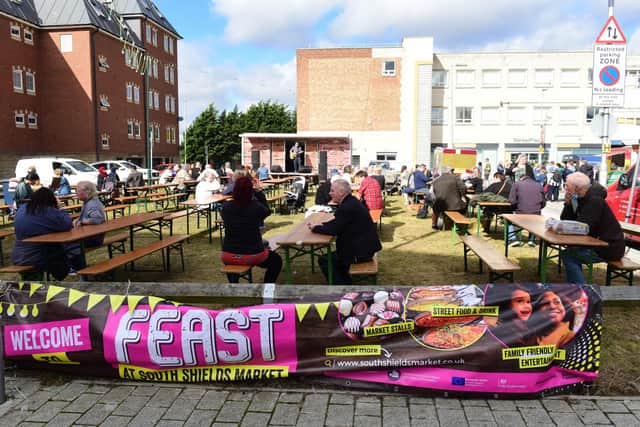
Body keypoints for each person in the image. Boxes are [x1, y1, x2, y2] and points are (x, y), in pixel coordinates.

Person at [310, 179, 382, 285]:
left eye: (332, 191)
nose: (330, 193)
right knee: (333, 258)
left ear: (341, 192)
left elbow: (333, 229)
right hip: (365, 248)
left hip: (360, 253)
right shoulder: (351, 201)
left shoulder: (347, 207)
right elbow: (337, 223)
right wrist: (322, 226)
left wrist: (315, 228)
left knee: (325, 260)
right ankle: (344, 279)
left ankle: (343, 287)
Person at [560, 172, 625, 284]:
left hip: (609, 248)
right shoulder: (581, 198)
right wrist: (568, 204)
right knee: (570, 252)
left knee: (569, 255)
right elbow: (565, 219)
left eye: (567, 185)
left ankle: (582, 291)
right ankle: (577, 286)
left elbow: (583, 227)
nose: (565, 188)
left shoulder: (594, 201)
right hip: (596, 244)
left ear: (576, 187)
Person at [220, 176, 282, 283]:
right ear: (251, 191)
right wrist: (259, 192)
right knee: (276, 261)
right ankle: (267, 292)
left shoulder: (226, 207)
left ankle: (234, 286)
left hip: (228, 254)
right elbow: (267, 211)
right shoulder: (256, 207)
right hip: (252, 253)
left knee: (233, 262)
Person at [11, 187, 73, 280]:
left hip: (18, 254)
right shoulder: (46, 211)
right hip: (38, 255)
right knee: (62, 249)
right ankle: (66, 272)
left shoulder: (23, 209)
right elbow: (67, 224)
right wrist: (60, 208)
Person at [508, 164, 545, 247]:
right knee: (535, 216)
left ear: (521, 176)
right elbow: (543, 203)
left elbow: (512, 201)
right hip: (536, 215)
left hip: (520, 214)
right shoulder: (539, 185)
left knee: (508, 219)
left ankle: (512, 239)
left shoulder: (517, 184)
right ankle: (532, 239)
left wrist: (516, 208)